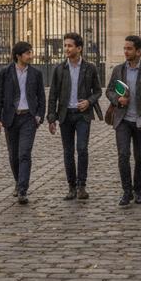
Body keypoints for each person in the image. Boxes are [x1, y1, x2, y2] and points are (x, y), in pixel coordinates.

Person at [47, 32, 102, 201]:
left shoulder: (90, 67)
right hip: (65, 115)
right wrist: (51, 118)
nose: (66, 49)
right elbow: (53, 94)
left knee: (82, 149)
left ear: (79, 48)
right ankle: (71, 187)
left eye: (69, 46)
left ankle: (81, 186)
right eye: (65, 45)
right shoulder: (59, 69)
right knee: (68, 152)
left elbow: (98, 91)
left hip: (82, 115)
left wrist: (89, 101)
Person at [106, 34, 141, 206]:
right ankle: (126, 191)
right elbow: (110, 91)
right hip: (122, 120)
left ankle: (138, 190)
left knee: (140, 157)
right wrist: (117, 100)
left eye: (129, 49)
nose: (126, 51)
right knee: (123, 155)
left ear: (139, 51)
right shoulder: (118, 70)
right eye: (124, 48)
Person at [0, 41, 45, 205]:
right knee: (13, 155)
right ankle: (18, 181)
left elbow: (41, 97)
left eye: (31, 52)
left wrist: (39, 116)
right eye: (28, 53)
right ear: (18, 56)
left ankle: (22, 190)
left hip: (29, 118)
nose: (31, 56)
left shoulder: (36, 73)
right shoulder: (5, 72)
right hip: (11, 118)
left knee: (24, 154)